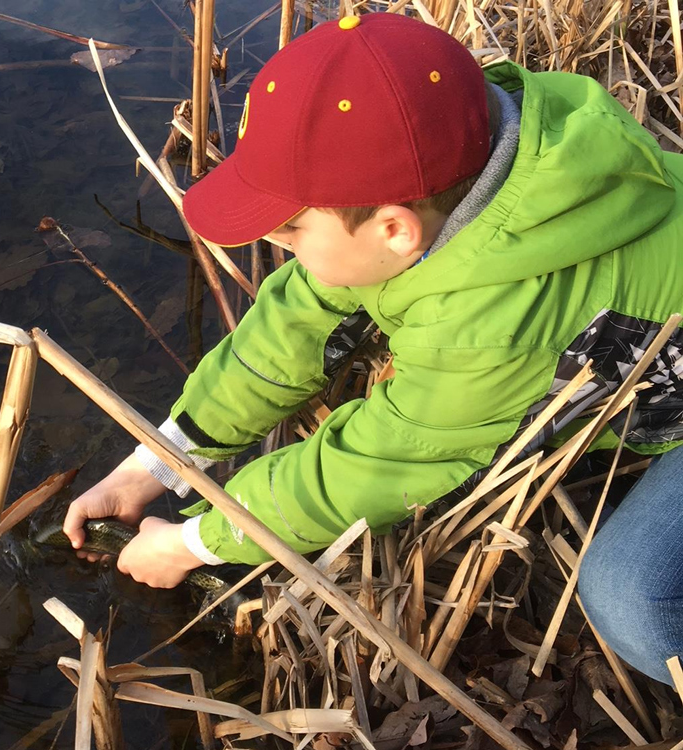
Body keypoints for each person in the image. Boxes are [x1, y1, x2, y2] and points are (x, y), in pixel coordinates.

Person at [63, 13, 683, 683]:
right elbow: (295, 324)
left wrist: (194, 543)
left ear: (395, 230)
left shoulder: (488, 331)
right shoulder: (481, 170)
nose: (278, 247)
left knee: (631, 600)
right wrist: (156, 462)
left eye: (291, 229)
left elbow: (373, 467)